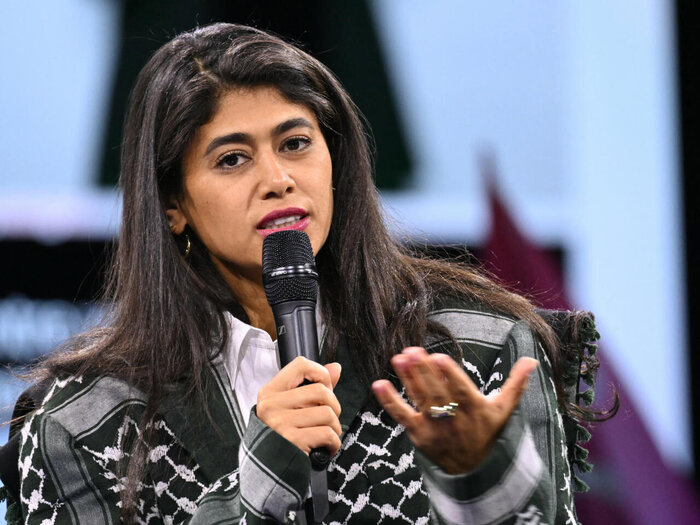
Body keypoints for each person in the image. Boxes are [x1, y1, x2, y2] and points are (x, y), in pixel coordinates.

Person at [11, 23, 597, 524]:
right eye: (232, 159)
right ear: (173, 206)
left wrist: (482, 481)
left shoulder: (476, 348)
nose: (277, 179)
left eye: (295, 143)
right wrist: (260, 479)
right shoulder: (85, 422)